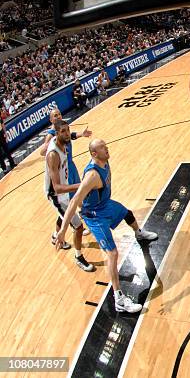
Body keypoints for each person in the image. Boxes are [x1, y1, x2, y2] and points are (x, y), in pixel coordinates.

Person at [55, 138, 159, 313]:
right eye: (102, 147)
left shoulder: (104, 162)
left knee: (128, 214)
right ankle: (119, 298)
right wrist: (63, 230)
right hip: (94, 215)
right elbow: (74, 201)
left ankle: (139, 233)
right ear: (94, 153)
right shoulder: (93, 175)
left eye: (105, 146)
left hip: (104, 204)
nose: (106, 148)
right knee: (112, 253)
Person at [44, 120, 93, 271]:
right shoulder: (53, 154)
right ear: (56, 133)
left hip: (64, 188)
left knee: (64, 214)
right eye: (63, 131)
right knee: (78, 227)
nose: (66, 133)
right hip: (56, 195)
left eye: (67, 130)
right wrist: (82, 185)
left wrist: (80, 134)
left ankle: (55, 235)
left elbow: (70, 136)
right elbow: (57, 188)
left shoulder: (62, 141)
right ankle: (78, 257)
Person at [40, 109, 92, 239]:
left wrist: (81, 134)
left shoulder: (64, 134)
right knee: (69, 207)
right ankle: (59, 236)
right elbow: (42, 151)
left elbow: (71, 135)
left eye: (59, 114)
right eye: (55, 115)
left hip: (68, 169)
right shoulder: (52, 138)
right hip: (58, 185)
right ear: (51, 120)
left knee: (70, 203)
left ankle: (81, 215)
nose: (58, 116)